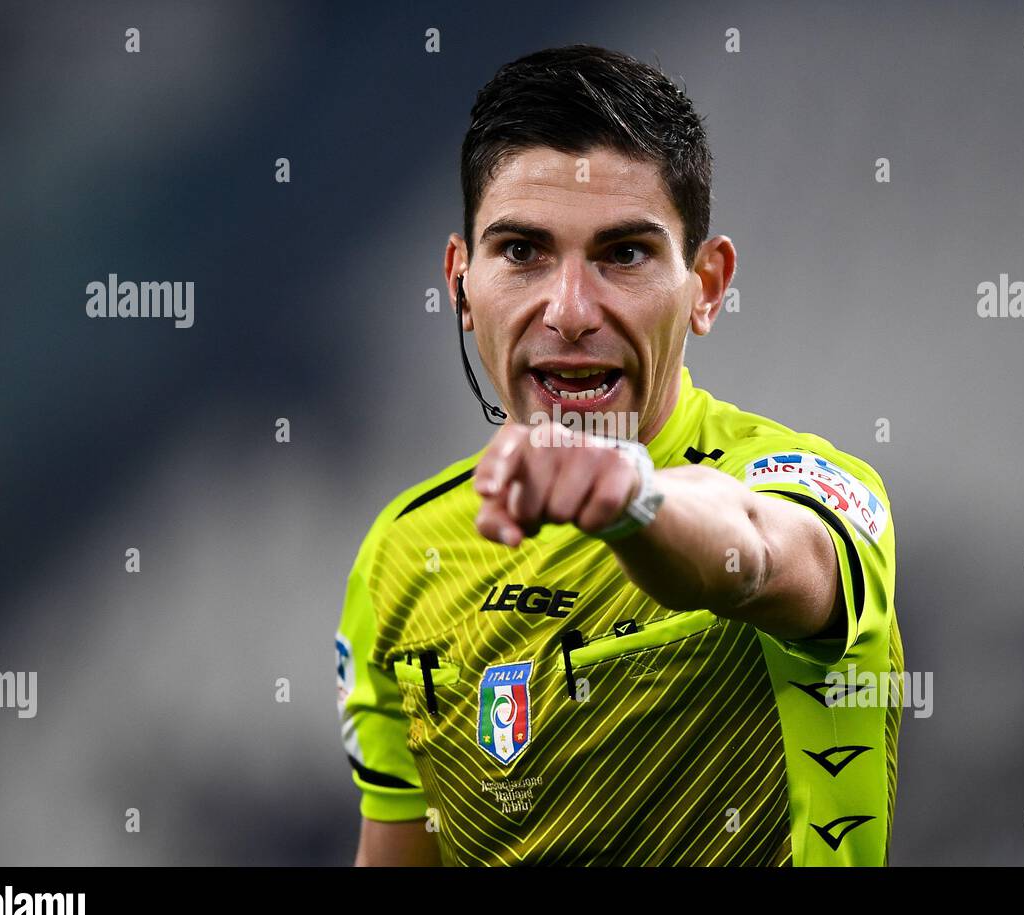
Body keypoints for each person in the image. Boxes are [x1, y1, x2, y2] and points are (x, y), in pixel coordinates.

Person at [336, 44, 901, 866]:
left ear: (706, 285)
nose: (568, 310)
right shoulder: (401, 555)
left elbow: (756, 549)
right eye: (522, 251)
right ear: (461, 284)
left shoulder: (811, 489)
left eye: (623, 254)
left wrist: (632, 497)